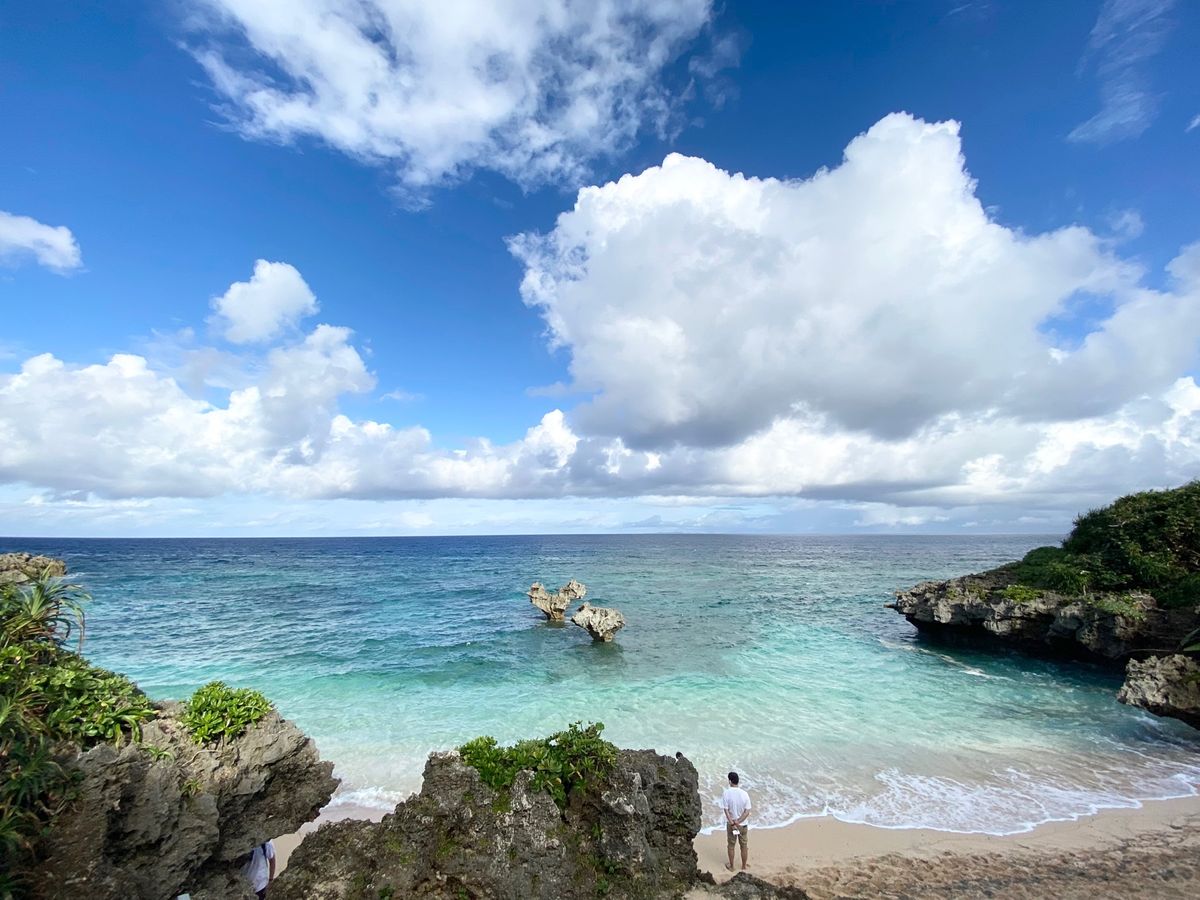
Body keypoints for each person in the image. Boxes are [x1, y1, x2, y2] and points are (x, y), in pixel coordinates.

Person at [721, 771, 750, 872]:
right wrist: (739, 821)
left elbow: (726, 810)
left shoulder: (726, 793)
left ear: (730, 781)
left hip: (731, 824)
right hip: (743, 824)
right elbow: (747, 811)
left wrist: (733, 822)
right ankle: (744, 866)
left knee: (731, 846)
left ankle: (732, 866)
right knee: (744, 846)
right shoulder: (744, 794)